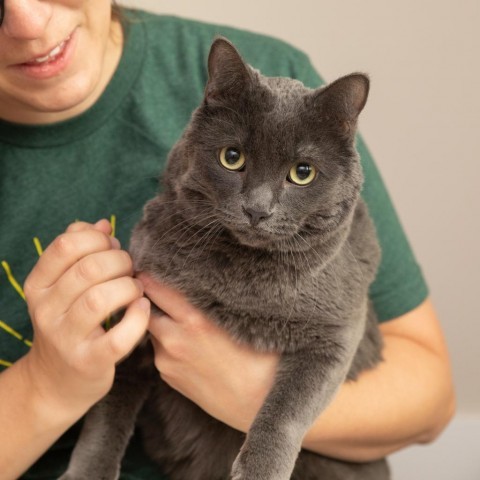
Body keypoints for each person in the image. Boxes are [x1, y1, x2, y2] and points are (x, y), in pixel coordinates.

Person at [0, 1, 455, 479]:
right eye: (234, 159)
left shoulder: (280, 76)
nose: (30, 24)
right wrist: (45, 383)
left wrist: (258, 408)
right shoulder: (170, 223)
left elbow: (431, 399)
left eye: (301, 172)